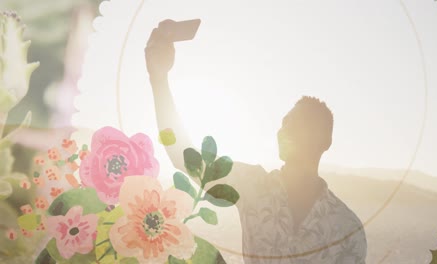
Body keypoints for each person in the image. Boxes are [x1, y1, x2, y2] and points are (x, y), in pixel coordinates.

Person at [145, 20, 367, 264]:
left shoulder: (348, 230)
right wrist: (159, 79)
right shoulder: (253, 185)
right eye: (284, 122)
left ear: (325, 141)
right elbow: (183, 156)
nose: (285, 130)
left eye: (299, 123)